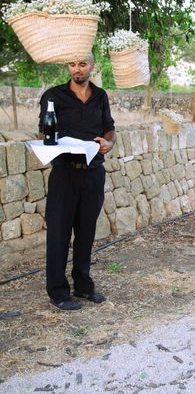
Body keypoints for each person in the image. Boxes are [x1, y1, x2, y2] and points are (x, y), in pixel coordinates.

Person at [38, 54, 116, 311]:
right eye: (72, 64)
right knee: (59, 233)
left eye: (82, 64)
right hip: (64, 173)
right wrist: (47, 139)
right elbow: (43, 131)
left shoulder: (101, 96)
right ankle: (58, 292)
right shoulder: (53, 96)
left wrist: (108, 142)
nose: (77, 69)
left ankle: (83, 286)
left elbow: (109, 128)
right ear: (67, 67)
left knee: (86, 232)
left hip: (93, 172)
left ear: (92, 66)